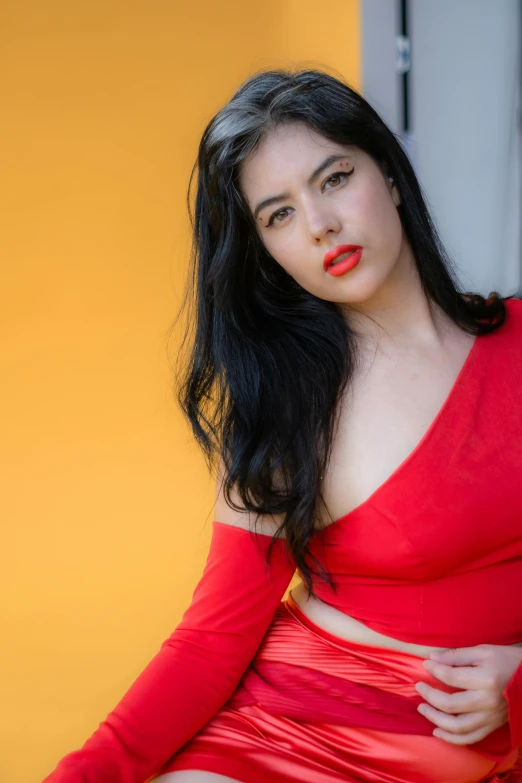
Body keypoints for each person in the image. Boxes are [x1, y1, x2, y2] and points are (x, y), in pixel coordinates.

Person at [42, 68, 522, 783]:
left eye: (332, 179)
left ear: (389, 174)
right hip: (280, 740)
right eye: (279, 215)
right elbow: (211, 641)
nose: (320, 225)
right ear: (268, 252)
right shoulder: (287, 411)